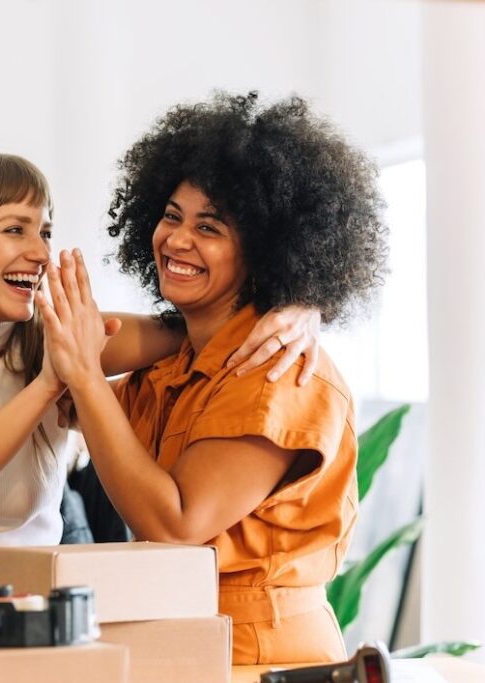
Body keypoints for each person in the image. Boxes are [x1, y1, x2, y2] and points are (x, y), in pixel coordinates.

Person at [0, 150, 319, 673]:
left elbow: (204, 322)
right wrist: (49, 383)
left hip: (28, 600)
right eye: (15, 229)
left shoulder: (61, 334)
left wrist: (300, 304)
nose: (41, 252)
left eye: (45, 231)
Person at [37, 92, 387, 664]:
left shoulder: (280, 372)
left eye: (210, 227)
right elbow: (59, 368)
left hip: (262, 656)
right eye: (171, 216)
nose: (177, 240)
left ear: (267, 252)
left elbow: (177, 524)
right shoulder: (178, 365)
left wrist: (87, 379)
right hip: (187, 640)